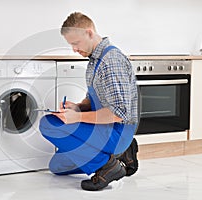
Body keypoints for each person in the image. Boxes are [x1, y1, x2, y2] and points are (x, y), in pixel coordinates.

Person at [39, 12, 139, 191]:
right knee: (57, 166)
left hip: (117, 130)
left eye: (75, 43)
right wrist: (77, 107)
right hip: (103, 127)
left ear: (89, 33)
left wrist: (76, 118)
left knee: (48, 124)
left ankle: (109, 166)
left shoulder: (111, 61)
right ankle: (119, 154)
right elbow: (93, 99)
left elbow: (118, 113)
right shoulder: (94, 61)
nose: (74, 49)